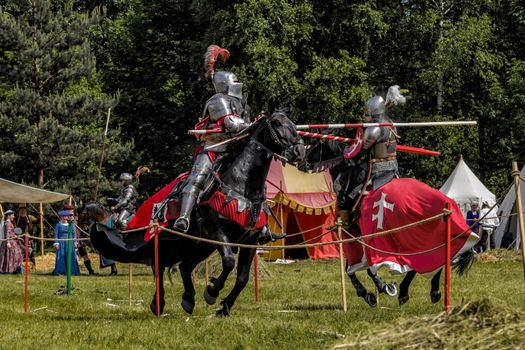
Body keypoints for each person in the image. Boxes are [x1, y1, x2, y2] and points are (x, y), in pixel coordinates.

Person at [173, 45, 284, 244]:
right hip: (213, 150)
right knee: (197, 179)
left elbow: (245, 125)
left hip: (233, 151)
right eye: (234, 82)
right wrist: (254, 125)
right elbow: (232, 124)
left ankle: (263, 227)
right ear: (225, 84)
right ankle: (184, 217)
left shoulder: (240, 103)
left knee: (256, 183)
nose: (237, 85)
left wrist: (255, 124)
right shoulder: (217, 100)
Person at [339, 85, 406, 224]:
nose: (365, 115)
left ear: (372, 112)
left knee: (346, 181)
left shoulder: (374, 129)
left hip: (377, 168)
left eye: (366, 112)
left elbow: (361, 152)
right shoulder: (391, 125)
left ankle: (345, 220)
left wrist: (348, 151)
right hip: (393, 167)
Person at [63, 204, 97, 275]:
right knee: (67, 256)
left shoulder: (75, 217)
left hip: (77, 240)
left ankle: (90, 271)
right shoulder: (64, 218)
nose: (72, 211)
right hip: (69, 240)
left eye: (72, 210)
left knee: (84, 254)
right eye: (71, 210)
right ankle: (65, 270)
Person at [53, 210, 80, 276]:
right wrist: (56, 243)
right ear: (61, 217)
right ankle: (61, 271)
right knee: (61, 258)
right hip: (61, 243)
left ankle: (72, 271)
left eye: (66, 216)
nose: (65, 218)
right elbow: (56, 234)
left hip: (69, 243)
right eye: (63, 216)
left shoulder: (71, 225)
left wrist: (75, 242)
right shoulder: (58, 225)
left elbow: (74, 234)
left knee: (70, 257)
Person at [0, 210, 24, 274]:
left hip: (12, 240)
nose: (14, 216)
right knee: (11, 255)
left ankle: (14, 269)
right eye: (12, 215)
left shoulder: (9, 222)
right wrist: (8, 242)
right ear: (8, 216)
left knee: (15, 255)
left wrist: (17, 237)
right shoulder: (7, 223)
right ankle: (9, 270)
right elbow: (7, 233)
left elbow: (11, 233)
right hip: (9, 241)